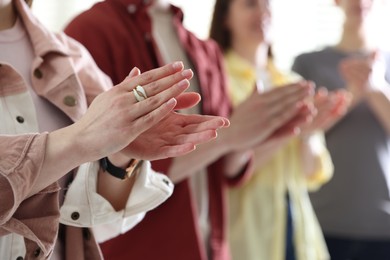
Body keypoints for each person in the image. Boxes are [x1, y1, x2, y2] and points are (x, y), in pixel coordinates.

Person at [64, 0, 316, 259]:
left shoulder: (205, 49)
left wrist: (256, 133)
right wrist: (230, 136)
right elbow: (96, 171)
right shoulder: (89, 32)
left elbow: (225, 169)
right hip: (140, 249)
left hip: (210, 248)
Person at [0, 0, 230, 259]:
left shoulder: (73, 58)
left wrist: (119, 157)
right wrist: (78, 141)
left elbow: (85, 224)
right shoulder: (93, 28)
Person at [209, 0, 352, 259]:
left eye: (267, 4)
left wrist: (308, 132)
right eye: (250, 4)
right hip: (246, 233)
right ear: (225, 18)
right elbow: (227, 172)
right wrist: (292, 129)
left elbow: (311, 173)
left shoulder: (293, 83)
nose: (263, 12)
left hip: (299, 232)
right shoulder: (216, 82)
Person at [292, 0, 390, 259]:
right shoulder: (308, 64)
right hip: (322, 220)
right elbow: (301, 129)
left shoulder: (386, 65)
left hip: (383, 226)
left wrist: (376, 87)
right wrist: (353, 94)